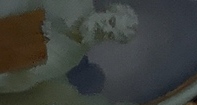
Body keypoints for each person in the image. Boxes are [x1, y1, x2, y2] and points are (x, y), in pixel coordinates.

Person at [0, 2, 137, 98]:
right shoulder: (77, 3)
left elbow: (25, 78)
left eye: (110, 35)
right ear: (109, 10)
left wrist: (38, 43)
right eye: (111, 21)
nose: (105, 29)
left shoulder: (71, 57)